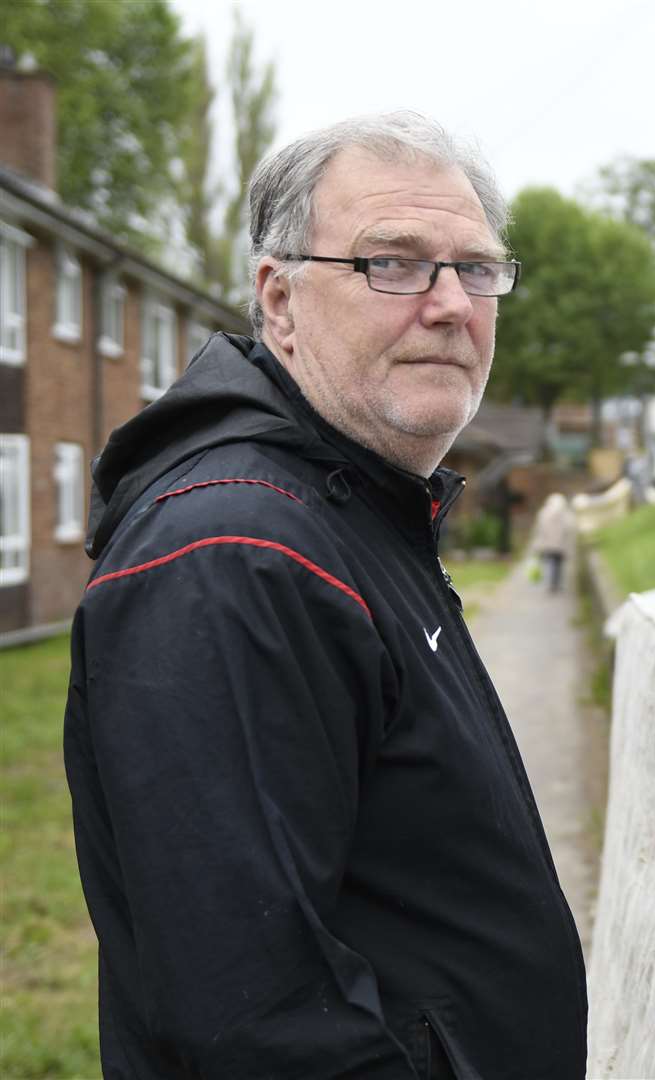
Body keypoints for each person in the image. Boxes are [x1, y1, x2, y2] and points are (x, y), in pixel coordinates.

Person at [63, 113, 586, 1079]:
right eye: (392, 263)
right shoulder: (233, 554)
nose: (449, 304)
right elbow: (252, 1023)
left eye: (476, 269)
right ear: (281, 300)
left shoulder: (355, 508)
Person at [530, 493, 576, 593]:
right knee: (558, 566)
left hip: (547, 545)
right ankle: (555, 584)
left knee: (549, 564)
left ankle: (551, 584)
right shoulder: (566, 515)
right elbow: (569, 530)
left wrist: (537, 544)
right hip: (560, 546)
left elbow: (539, 530)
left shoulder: (543, 513)